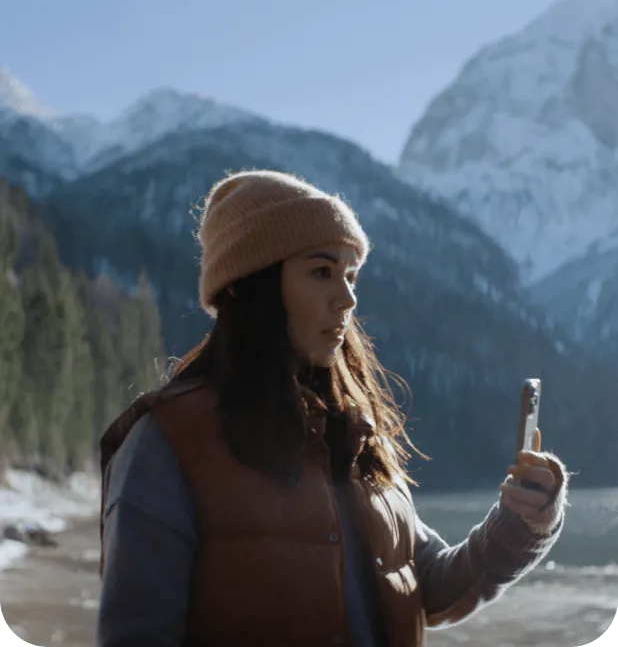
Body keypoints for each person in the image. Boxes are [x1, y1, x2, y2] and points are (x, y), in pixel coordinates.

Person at [96, 169, 570, 647]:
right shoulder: (166, 444)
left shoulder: (354, 434)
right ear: (246, 284)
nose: (346, 299)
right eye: (321, 272)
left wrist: (523, 521)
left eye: (350, 275)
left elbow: (432, 586)